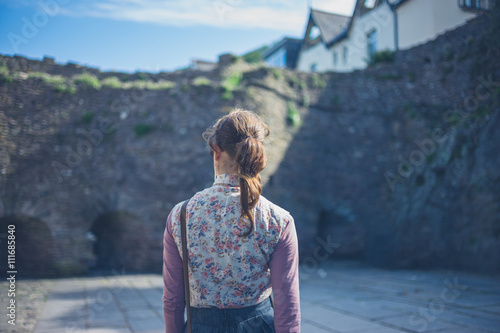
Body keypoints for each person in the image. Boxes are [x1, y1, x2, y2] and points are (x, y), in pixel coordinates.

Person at [162, 109, 300, 332]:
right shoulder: (279, 220)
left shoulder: (180, 215)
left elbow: (173, 300)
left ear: (217, 151)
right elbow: (287, 305)